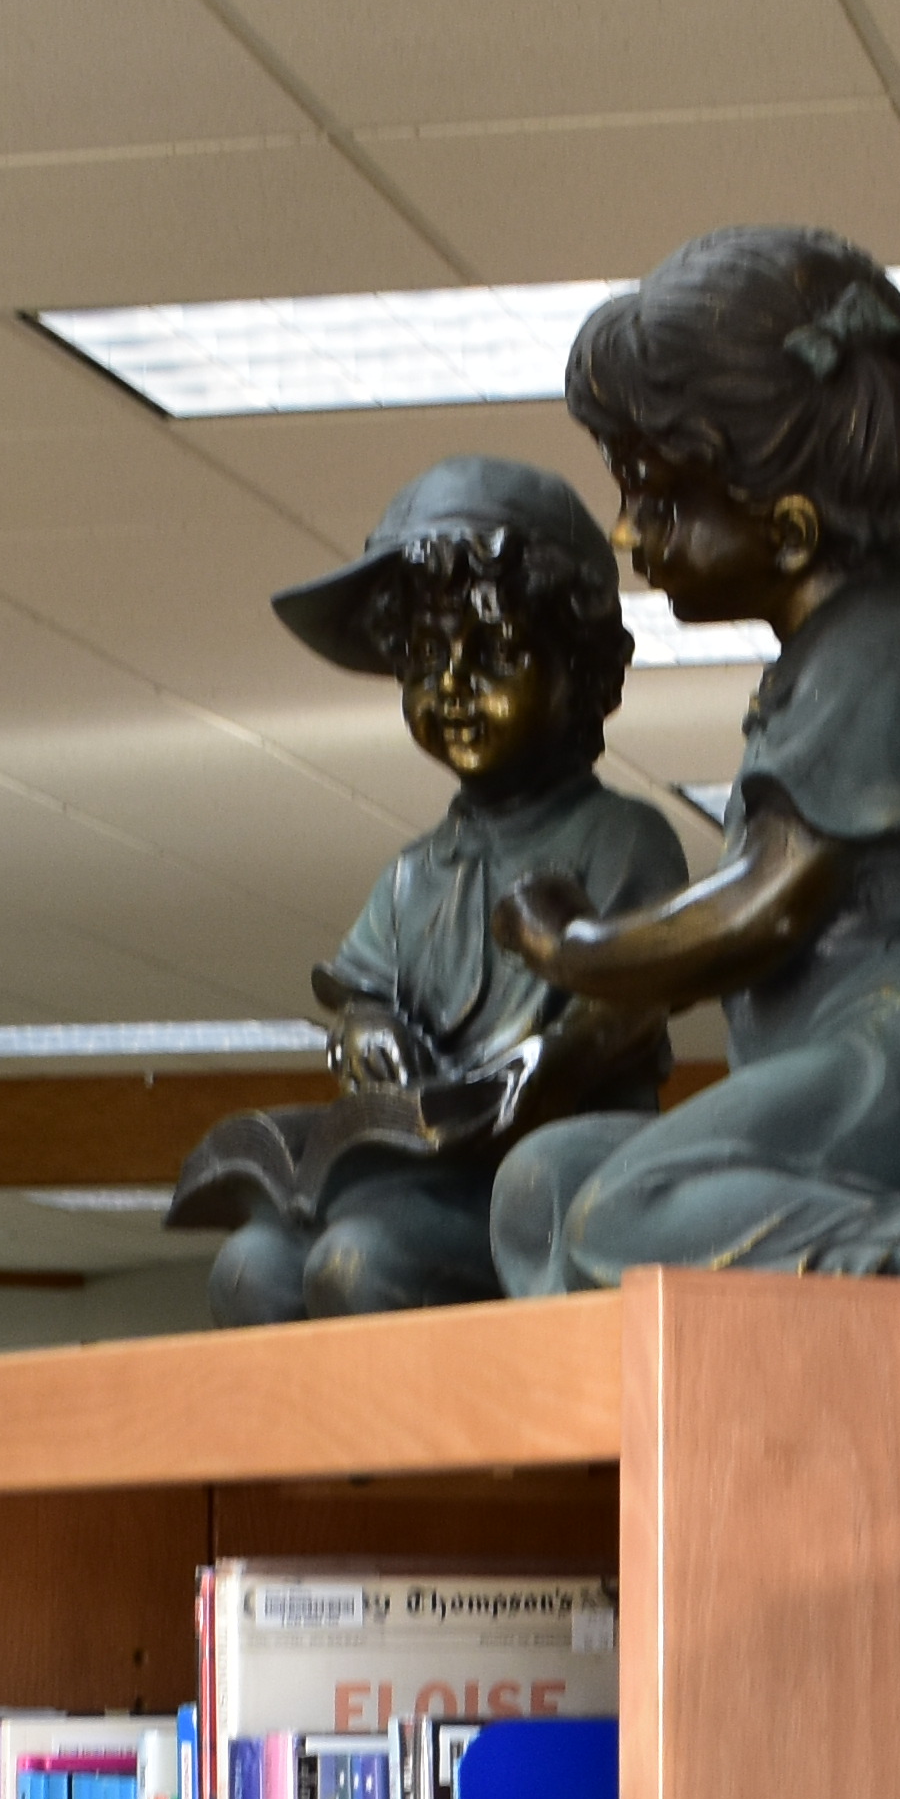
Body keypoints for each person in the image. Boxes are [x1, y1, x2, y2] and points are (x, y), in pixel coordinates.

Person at [482, 226, 900, 1297]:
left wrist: (574, 947)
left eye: (655, 499)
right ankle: (631, 1413)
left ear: (789, 531)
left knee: (625, 1213)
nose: (626, 533)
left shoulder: (876, 657)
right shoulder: (830, 660)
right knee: (542, 1190)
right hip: (851, 1062)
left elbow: (765, 912)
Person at [181, 458, 694, 1324]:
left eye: (493, 656)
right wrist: (367, 1034)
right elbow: (364, 995)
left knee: (358, 1263)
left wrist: (503, 1090)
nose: (451, 688)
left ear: (582, 672)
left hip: (546, 1174)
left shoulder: (623, 839)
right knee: (251, 1267)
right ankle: (308, 1463)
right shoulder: (413, 872)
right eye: (422, 661)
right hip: (415, 1174)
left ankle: (436, 1457)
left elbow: (618, 1016)